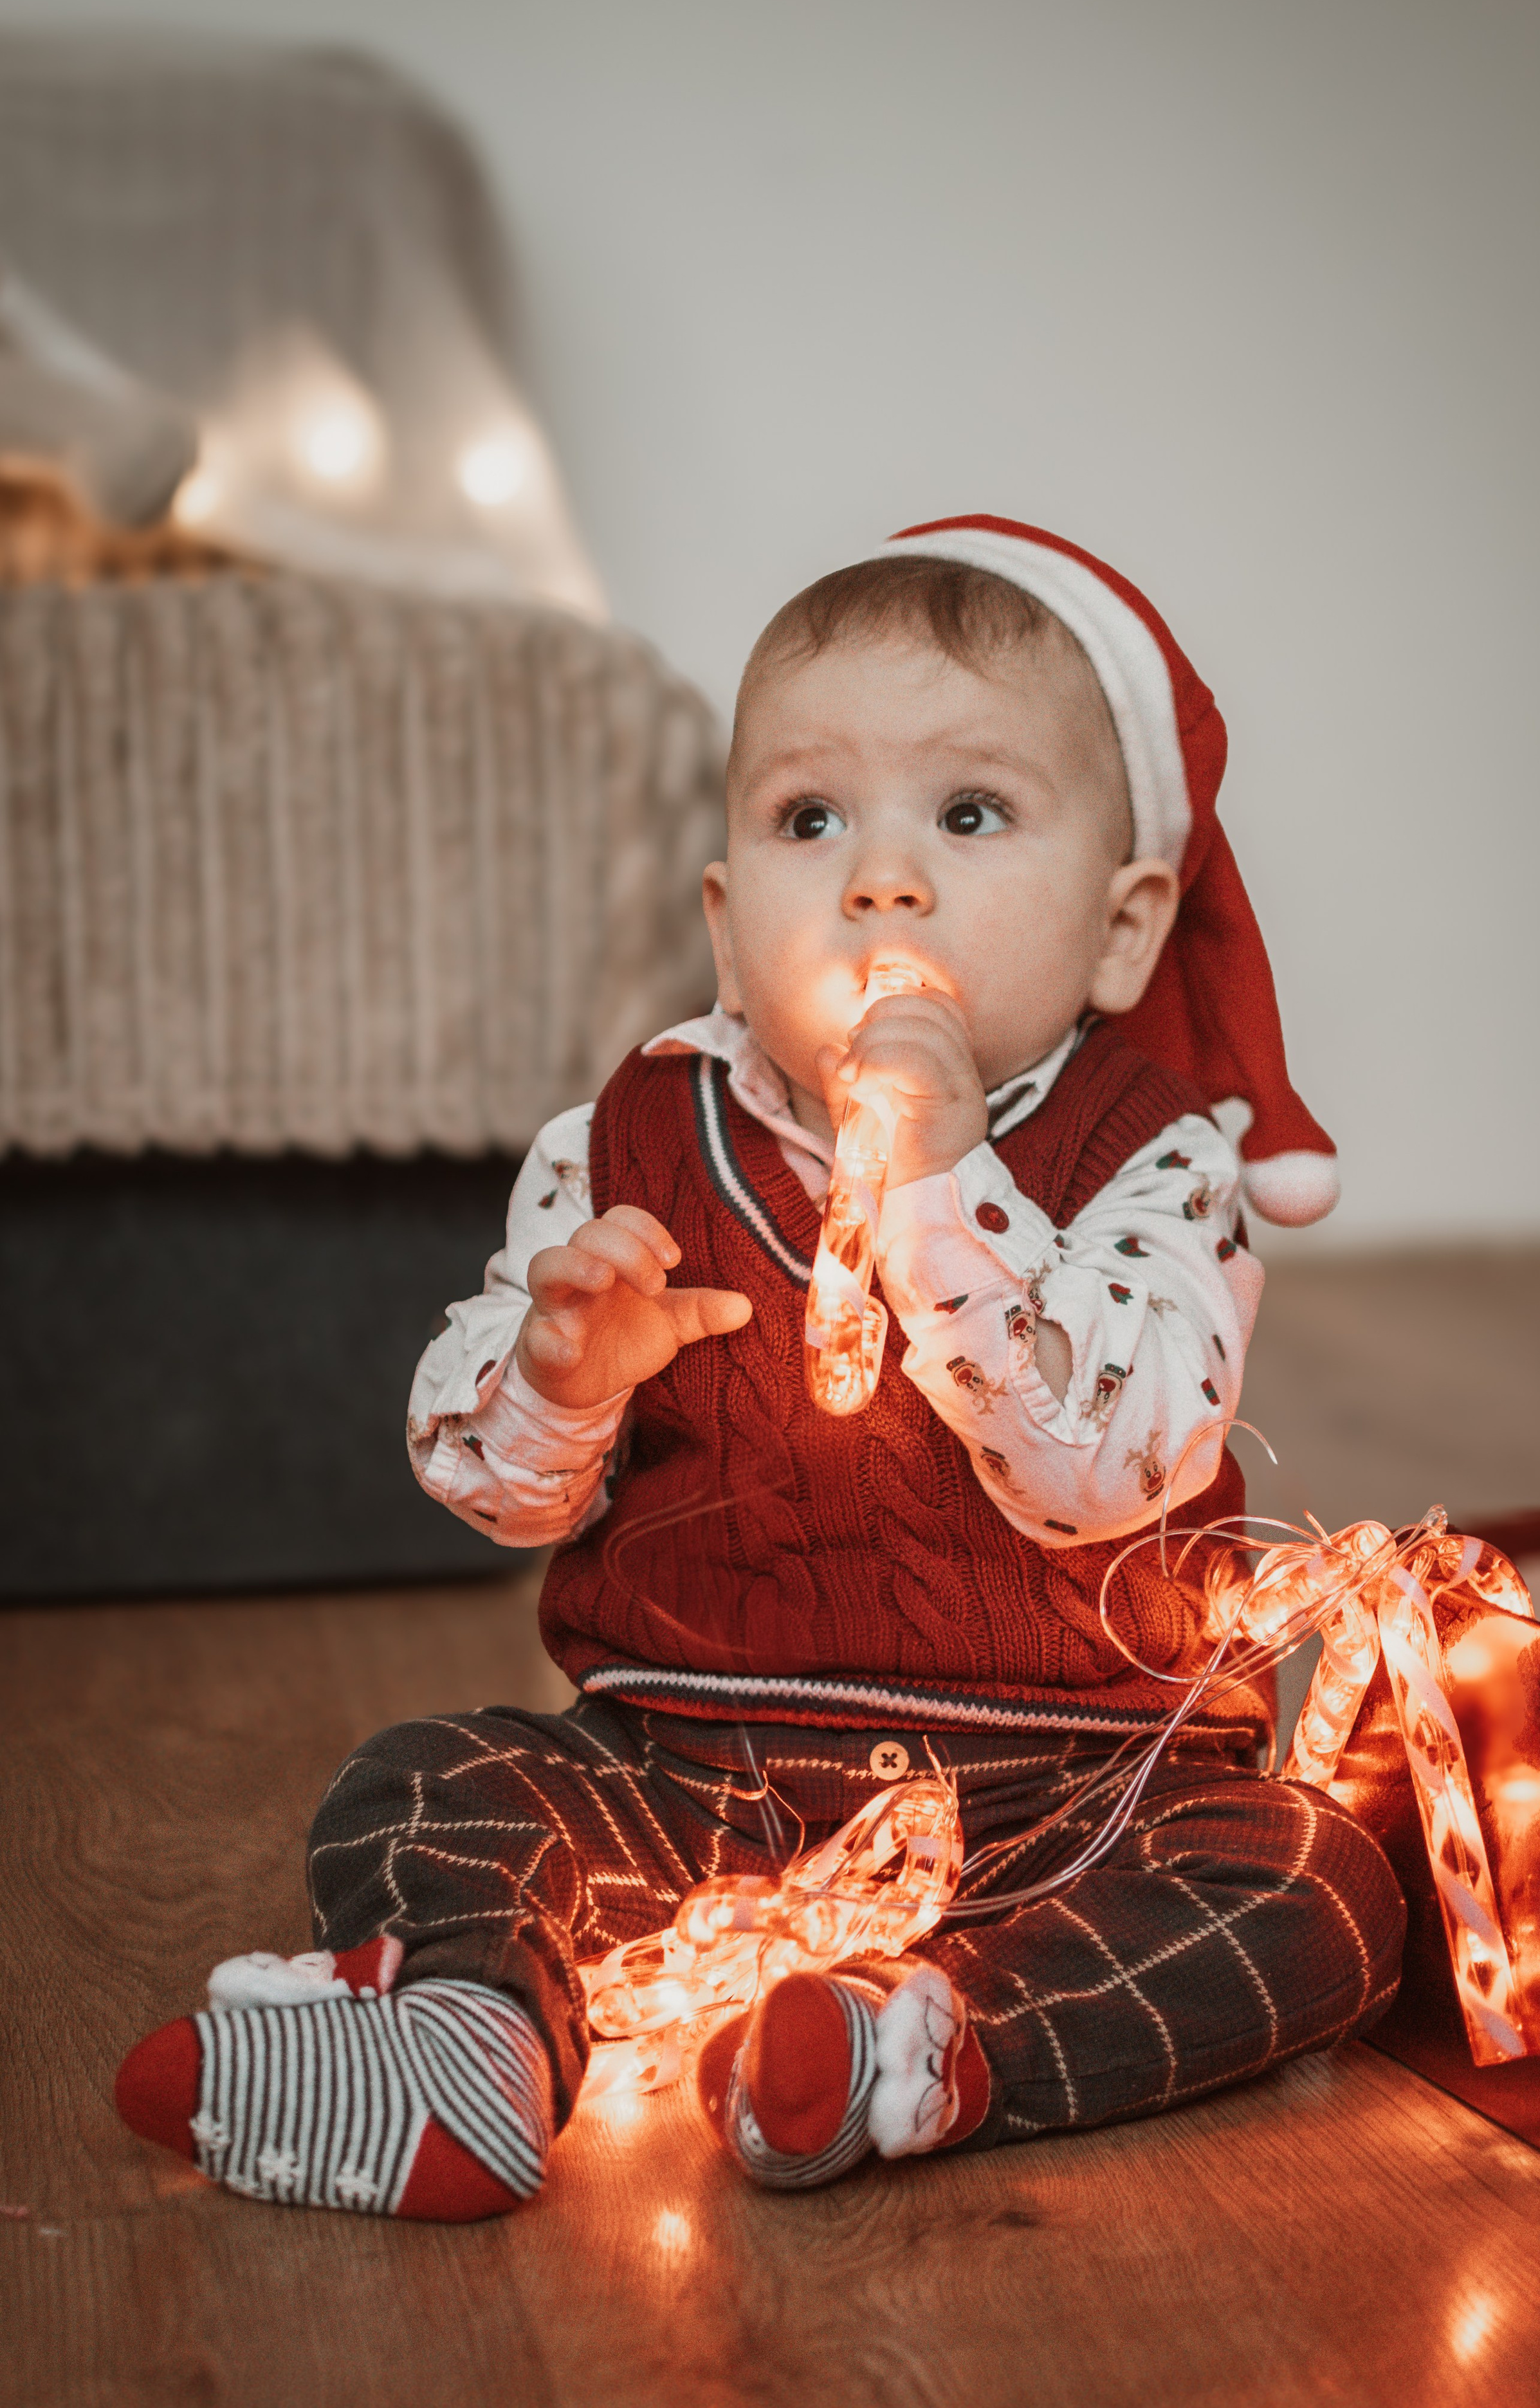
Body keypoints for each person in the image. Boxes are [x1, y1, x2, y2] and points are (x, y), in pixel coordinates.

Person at [115, 516, 1404, 2220]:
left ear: (1121, 929)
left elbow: (1111, 1462)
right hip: (695, 1776)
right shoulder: (633, 1140)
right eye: (814, 820)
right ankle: (474, 2042)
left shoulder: (1165, 1164)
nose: (882, 880)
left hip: (1074, 1795)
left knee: (1317, 1881)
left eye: (968, 813)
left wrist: (944, 1184)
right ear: (730, 929)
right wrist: (564, 1372)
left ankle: (921, 2045)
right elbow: (486, 1481)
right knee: (422, 1781)